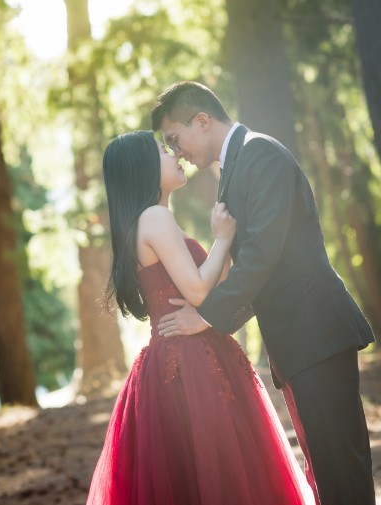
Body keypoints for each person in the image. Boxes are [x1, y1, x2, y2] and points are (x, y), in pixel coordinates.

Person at [151, 81, 376, 504]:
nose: (176, 151)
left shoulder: (260, 153)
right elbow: (262, 266)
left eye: (175, 139)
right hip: (298, 342)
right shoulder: (235, 166)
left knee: (341, 469)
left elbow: (262, 253)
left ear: (202, 120)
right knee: (326, 470)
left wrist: (207, 317)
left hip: (317, 334)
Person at [86, 130, 314, 504]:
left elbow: (216, 282)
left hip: (189, 352)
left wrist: (221, 244)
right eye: (164, 151)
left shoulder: (154, 220)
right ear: (143, 168)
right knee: (217, 463)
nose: (175, 154)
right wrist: (222, 238)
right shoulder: (155, 218)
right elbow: (197, 292)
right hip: (189, 361)